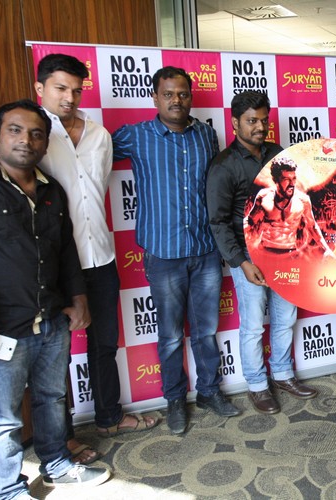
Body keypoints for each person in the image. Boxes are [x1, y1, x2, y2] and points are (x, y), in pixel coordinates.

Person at [0, 100, 111, 497]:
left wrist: (79, 299)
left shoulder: (51, 190)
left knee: (52, 398)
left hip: (52, 318)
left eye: (35, 134)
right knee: (4, 416)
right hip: (2, 325)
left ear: (45, 143)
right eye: (14, 130)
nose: (25, 140)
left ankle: (57, 463)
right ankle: (7, 490)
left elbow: (66, 251)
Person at [34, 53, 158, 461]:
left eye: (76, 89)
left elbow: (96, 191)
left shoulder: (99, 135)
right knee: (54, 357)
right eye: (60, 88)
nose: (69, 97)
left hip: (100, 255)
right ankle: (62, 438)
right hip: (52, 264)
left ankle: (109, 416)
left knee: (105, 343)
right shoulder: (31, 134)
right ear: (40, 88)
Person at [112, 66, 239, 435]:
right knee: (169, 335)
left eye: (182, 94)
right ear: (155, 97)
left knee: (205, 330)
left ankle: (209, 392)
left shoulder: (206, 135)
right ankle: (174, 400)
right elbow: (92, 153)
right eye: (168, 94)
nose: (176, 100)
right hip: (163, 253)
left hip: (205, 250)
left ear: (191, 97)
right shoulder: (136, 136)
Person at [207, 90, 318, 415]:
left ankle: (282, 375)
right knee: (254, 325)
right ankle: (257, 385)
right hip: (247, 257)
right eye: (251, 121)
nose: (259, 127)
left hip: (284, 251)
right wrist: (241, 263)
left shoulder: (278, 154)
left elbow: (299, 196)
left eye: (263, 120)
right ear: (234, 123)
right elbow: (218, 222)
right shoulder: (223, 166)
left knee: (285, 319)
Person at [245, 158, 334, 257]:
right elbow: (250, 222)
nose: (292, 184)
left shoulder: (302, 200)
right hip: (265, 251)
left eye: (294, 179)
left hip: (290, 253)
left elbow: (312, 227)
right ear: (275, 180)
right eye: (286, 179)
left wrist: (326, 250)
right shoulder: (264, 197)